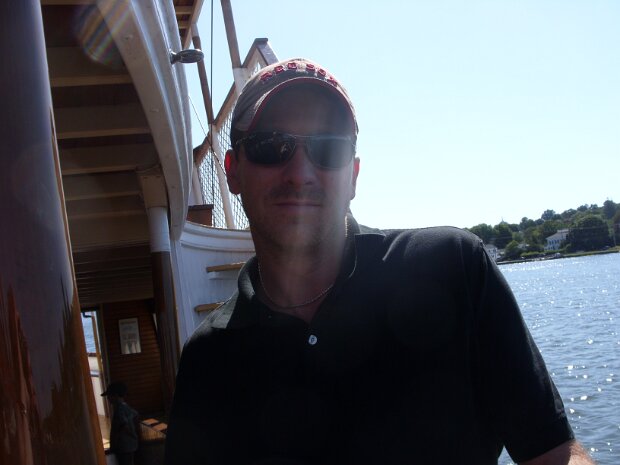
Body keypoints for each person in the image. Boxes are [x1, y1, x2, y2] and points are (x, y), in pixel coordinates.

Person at [165, 58, 594, 464]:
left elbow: (554, 452)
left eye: (328, 150)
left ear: (352, 176)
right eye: (270, 146)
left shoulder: (454, 269)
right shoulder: (207, 360)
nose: (300, 173)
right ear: (233, 170)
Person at [102, 382, 139, 465]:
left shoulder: (119, 410)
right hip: (130, 446)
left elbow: (119, 427)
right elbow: (136, 414)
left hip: (123, 448)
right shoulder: (126, 407)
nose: (108, 398)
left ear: (116, 395)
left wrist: (113, 445)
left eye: (109, 395)